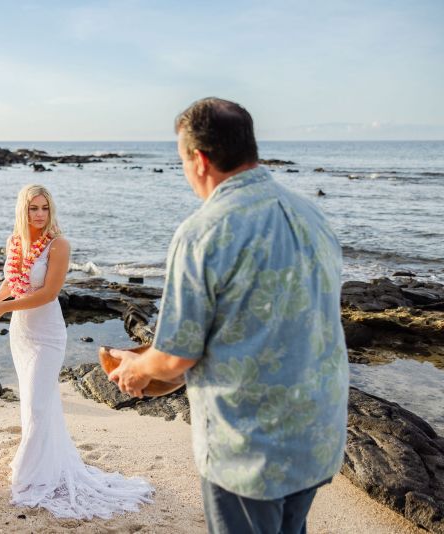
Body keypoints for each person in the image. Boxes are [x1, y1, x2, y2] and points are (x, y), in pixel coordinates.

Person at [109, 98, 349, 534]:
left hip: (249, 449)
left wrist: (136, 369)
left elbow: (175, 356)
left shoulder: (204, 232)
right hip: (317, 432)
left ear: (199, 160)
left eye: (182, 160)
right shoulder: (312, 215)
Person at [0, 184, 153, 519]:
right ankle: (41, 465)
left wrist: (5, 307)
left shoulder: (58, 245)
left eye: (45, 208)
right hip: (21, 333)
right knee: (32, 404)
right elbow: (11, 282)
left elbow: (47, 294)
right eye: (33, 208)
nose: (40, 214)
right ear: (23, 210)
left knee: (37, 405)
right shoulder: (14, 242)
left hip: (47, 334)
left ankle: (31, 478)